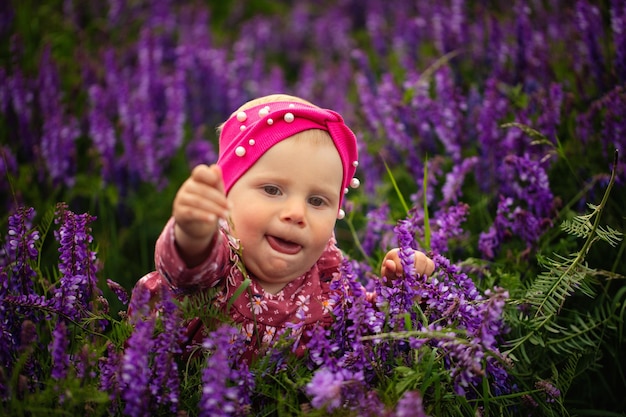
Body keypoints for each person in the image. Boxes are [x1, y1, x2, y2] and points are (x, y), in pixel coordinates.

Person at [132, 94, 435, 362]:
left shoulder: (328, 281)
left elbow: (363, 326)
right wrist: (193, 232)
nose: (296, 213)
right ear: (226, 195)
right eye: (273, 190)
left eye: (317, 200)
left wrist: (402, 287)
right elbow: (186, 268)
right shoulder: (221, 262)